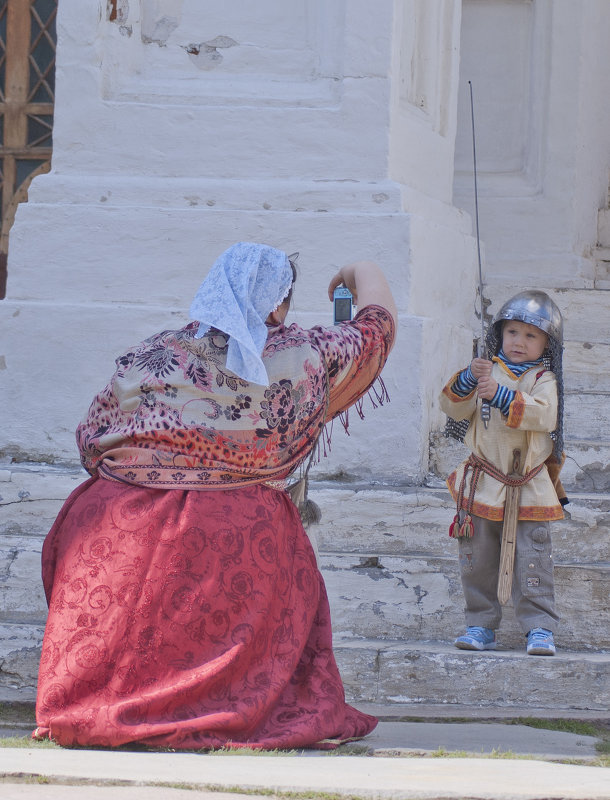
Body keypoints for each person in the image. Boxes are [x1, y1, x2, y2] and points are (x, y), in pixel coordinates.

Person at [33, 242, 397, 750]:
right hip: (236, 527)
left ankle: (99, 700)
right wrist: (361, 270)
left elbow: (92, 435)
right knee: (264, 525)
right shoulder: (305, 353)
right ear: (276, 304)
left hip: (119, 523)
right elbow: (376, 328)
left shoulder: (152, 352)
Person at [439, 290, 566, 656]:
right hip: (481, 481)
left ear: (547, 343)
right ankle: (480, 624)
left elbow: (544, 415)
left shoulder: (544, 379)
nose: (519, 342)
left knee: (533, 558)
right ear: (500, 335)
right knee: (476, 557)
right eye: (512, 332)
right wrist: (468, 379)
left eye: (531, 335)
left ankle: (539, 628)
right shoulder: (484, 370)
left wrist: (498, 394)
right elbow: (451, 407)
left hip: (528, 484)